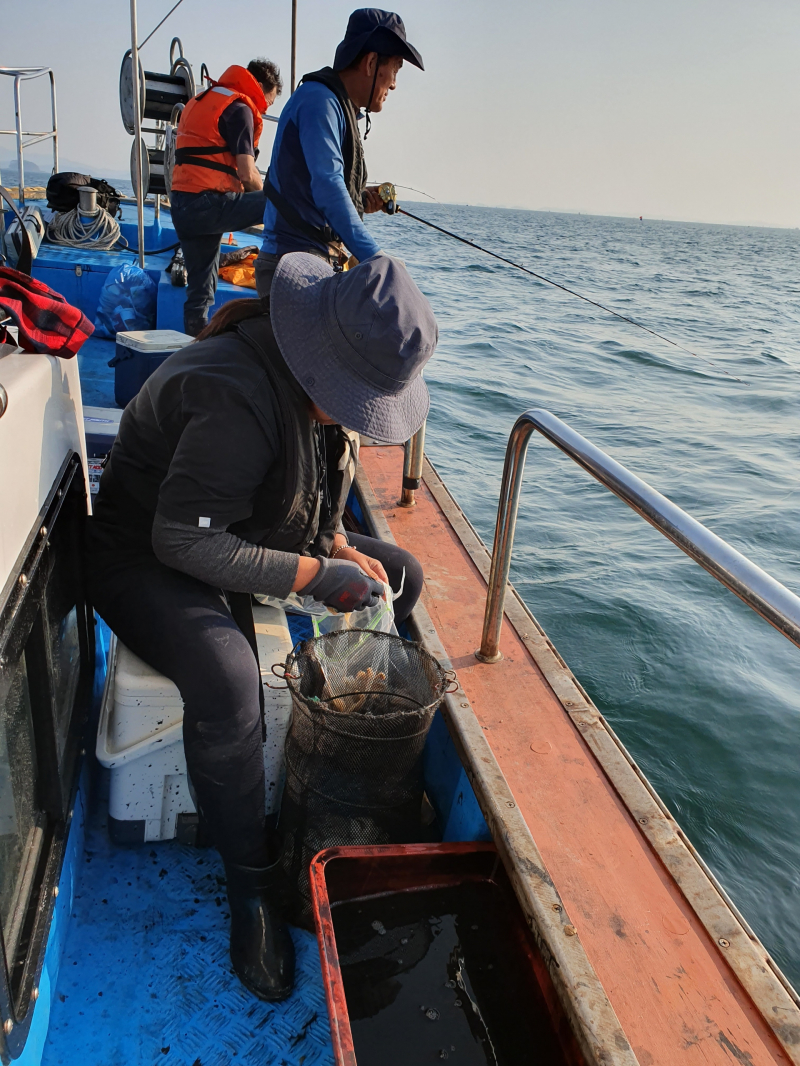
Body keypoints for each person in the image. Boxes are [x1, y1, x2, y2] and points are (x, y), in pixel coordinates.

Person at [86, 252, 437, 1001]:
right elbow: (182, 542)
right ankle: (251, 884)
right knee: (228, 682)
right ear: (324, 368)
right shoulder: (232, 391)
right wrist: (315, 577)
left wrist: (339, 548)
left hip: (248, 528)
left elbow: (306, 499)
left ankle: (326, 736)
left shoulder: (305, 389)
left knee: (402, 575)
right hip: (146, 553)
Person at [254, 9, 424, 299]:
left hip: (315, 263)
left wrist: (360, 199)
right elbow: (328, 186)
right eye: (395, 70)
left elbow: (315, 188)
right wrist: (378, 260)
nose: (394, 83)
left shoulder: (337, 106)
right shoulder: (320, 102)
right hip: (292, 269)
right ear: (371, 63)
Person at [170, 58, 282, 336]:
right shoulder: (240, 109)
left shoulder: (202, 100)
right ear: (260, 88)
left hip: (182, 204)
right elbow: (247, 174)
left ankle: (195, 348)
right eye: (268, 102)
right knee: (282, 201)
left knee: (200, 295)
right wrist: (269, 204)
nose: (265, 109)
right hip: (209, 205)